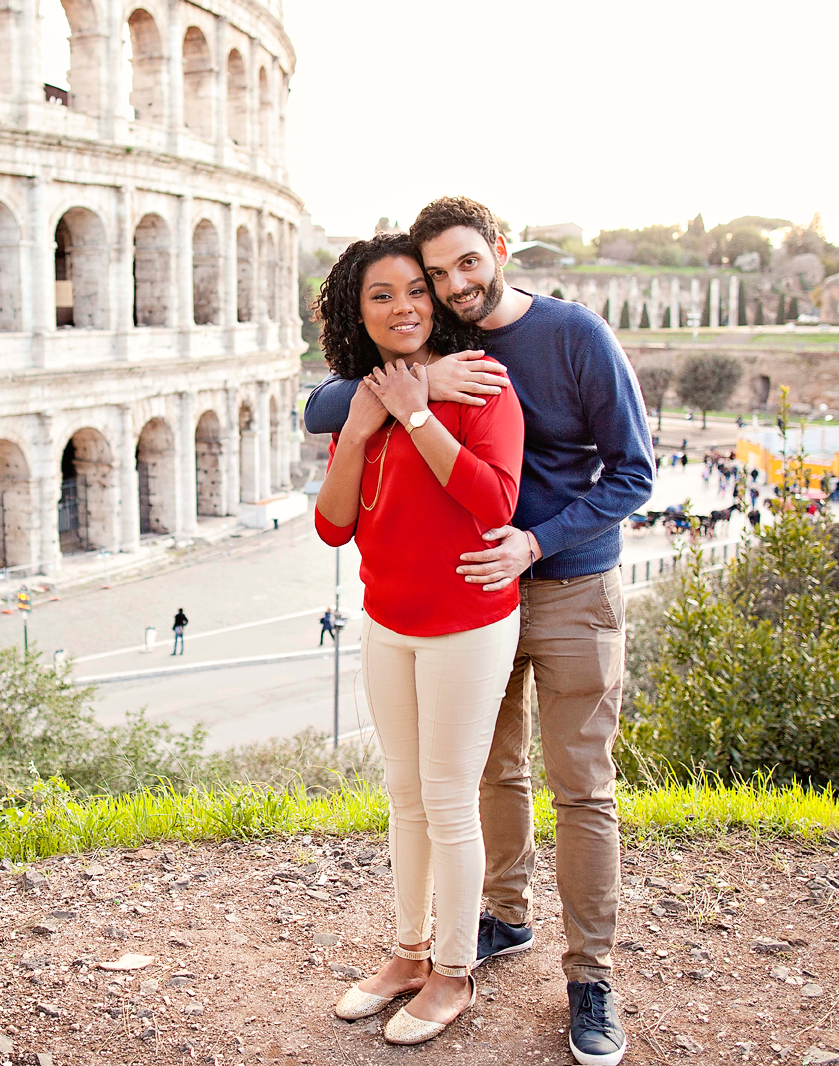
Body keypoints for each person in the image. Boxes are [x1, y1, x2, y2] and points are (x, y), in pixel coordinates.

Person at [306, 197, 652, 1066]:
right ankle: (494, 921)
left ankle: (589, 976)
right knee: (478, 779)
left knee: (579, 788)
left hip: (563, 581)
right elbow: (332, 399)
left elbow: (634, 471)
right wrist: (402, 392)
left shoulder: (570, 334)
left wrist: (536, 539)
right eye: (433, 275)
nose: (449, 287)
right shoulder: (440, 354)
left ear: (499, 252)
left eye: (466, 266)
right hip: (466, 589)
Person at [312, 231, 523, 1047]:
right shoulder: (356, 401)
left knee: (446, 800)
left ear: (434, 302)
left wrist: (419, 413)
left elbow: (491, 503)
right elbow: (334, 524)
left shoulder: (478, 384)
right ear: (355, 312)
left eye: (414, 291)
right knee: (403, 796)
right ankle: (405, 954)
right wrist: (366, 424)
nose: (403, 306)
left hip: (466, 623)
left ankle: (453, 971)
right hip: (388, 620)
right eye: (381, 295)